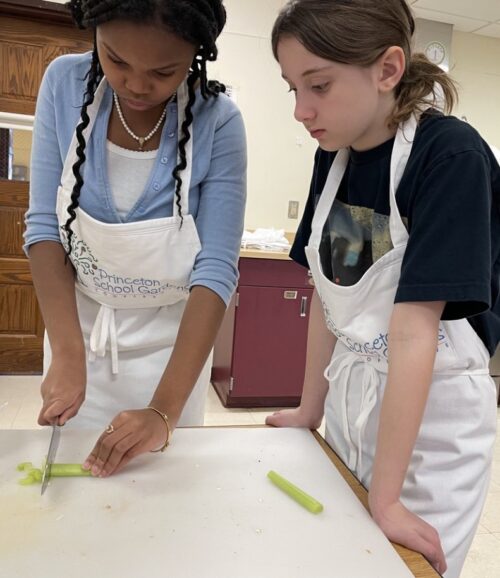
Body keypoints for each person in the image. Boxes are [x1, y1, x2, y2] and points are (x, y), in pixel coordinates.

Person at [265, 1, 500, 577]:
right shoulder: (336, 155)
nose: (301, 110)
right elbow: (330, 292)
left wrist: (388, 498)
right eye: (292, 88)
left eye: (317, 85)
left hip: (432, 425)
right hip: (354, 400)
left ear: (388, 69)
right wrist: (309, 409)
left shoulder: (450, 157)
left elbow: (414, 330)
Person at [24, 0, 246, 478]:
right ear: (95, 33)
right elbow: (45, 228)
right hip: (79, 335)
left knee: (160, 499)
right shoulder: (64, 85)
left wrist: (164, 411)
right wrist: (66, 354)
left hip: (173, 353)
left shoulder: (219, 121)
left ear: (196, 53)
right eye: (117, 60)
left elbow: (216, 270)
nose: (138, 86)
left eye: (165, 71)